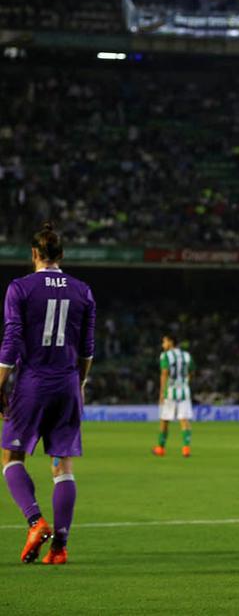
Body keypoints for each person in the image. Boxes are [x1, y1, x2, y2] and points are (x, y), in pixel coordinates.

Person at [0, 222, 95, 565]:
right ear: (62, 255)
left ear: (34, 254)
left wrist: (0, 381)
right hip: (67, 382)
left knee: (11, 458)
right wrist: (78, 384)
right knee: (63, 465)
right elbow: (87, 349)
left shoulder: (20, 288)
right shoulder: (83, 290)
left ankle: (35, 521)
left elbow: (11, 339)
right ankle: (60, 547)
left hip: (32, 383)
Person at [153, 334, 194, 458]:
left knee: (165, 419)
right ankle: (186, 448)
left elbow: (164, 373)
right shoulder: (187, 356)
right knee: (184, 419)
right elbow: (191, 371)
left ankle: (160, 447)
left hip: (170, 390)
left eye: (164, 342)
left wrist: (161, 392)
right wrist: (185, 383)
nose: (163, 345)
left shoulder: (165, 356)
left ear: (171, 342)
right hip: (184, 390)